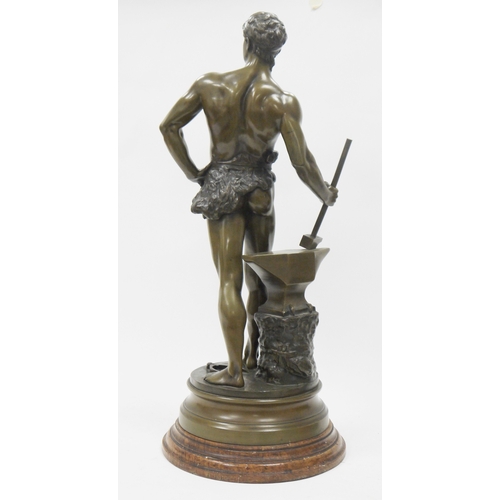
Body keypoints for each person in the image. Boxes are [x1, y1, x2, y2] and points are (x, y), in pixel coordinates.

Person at [160, 12, 338, 387]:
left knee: (229, 281)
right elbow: (302, 162)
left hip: (222, 187)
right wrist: (325, 192)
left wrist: (196, 174)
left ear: (246, 44)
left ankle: (235, 372)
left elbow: (169, 126)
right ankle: (252, 357)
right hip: (259, 190)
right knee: (259, 279)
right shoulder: (281, 101)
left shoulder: (210, 85)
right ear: (276, 52)